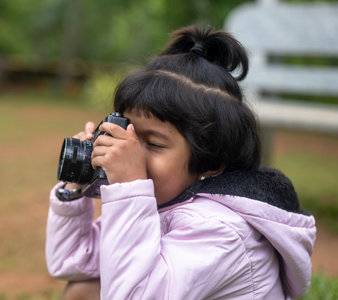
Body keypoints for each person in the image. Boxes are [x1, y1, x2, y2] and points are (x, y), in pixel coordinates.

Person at [45, 25, 316, 300]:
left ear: (210, 162)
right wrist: (76, 185)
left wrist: (129, 189)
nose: (130, 152)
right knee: (85, 288)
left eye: (153, 143)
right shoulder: (158, 200)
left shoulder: (222, 230)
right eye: (127, 134)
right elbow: (72, 262)